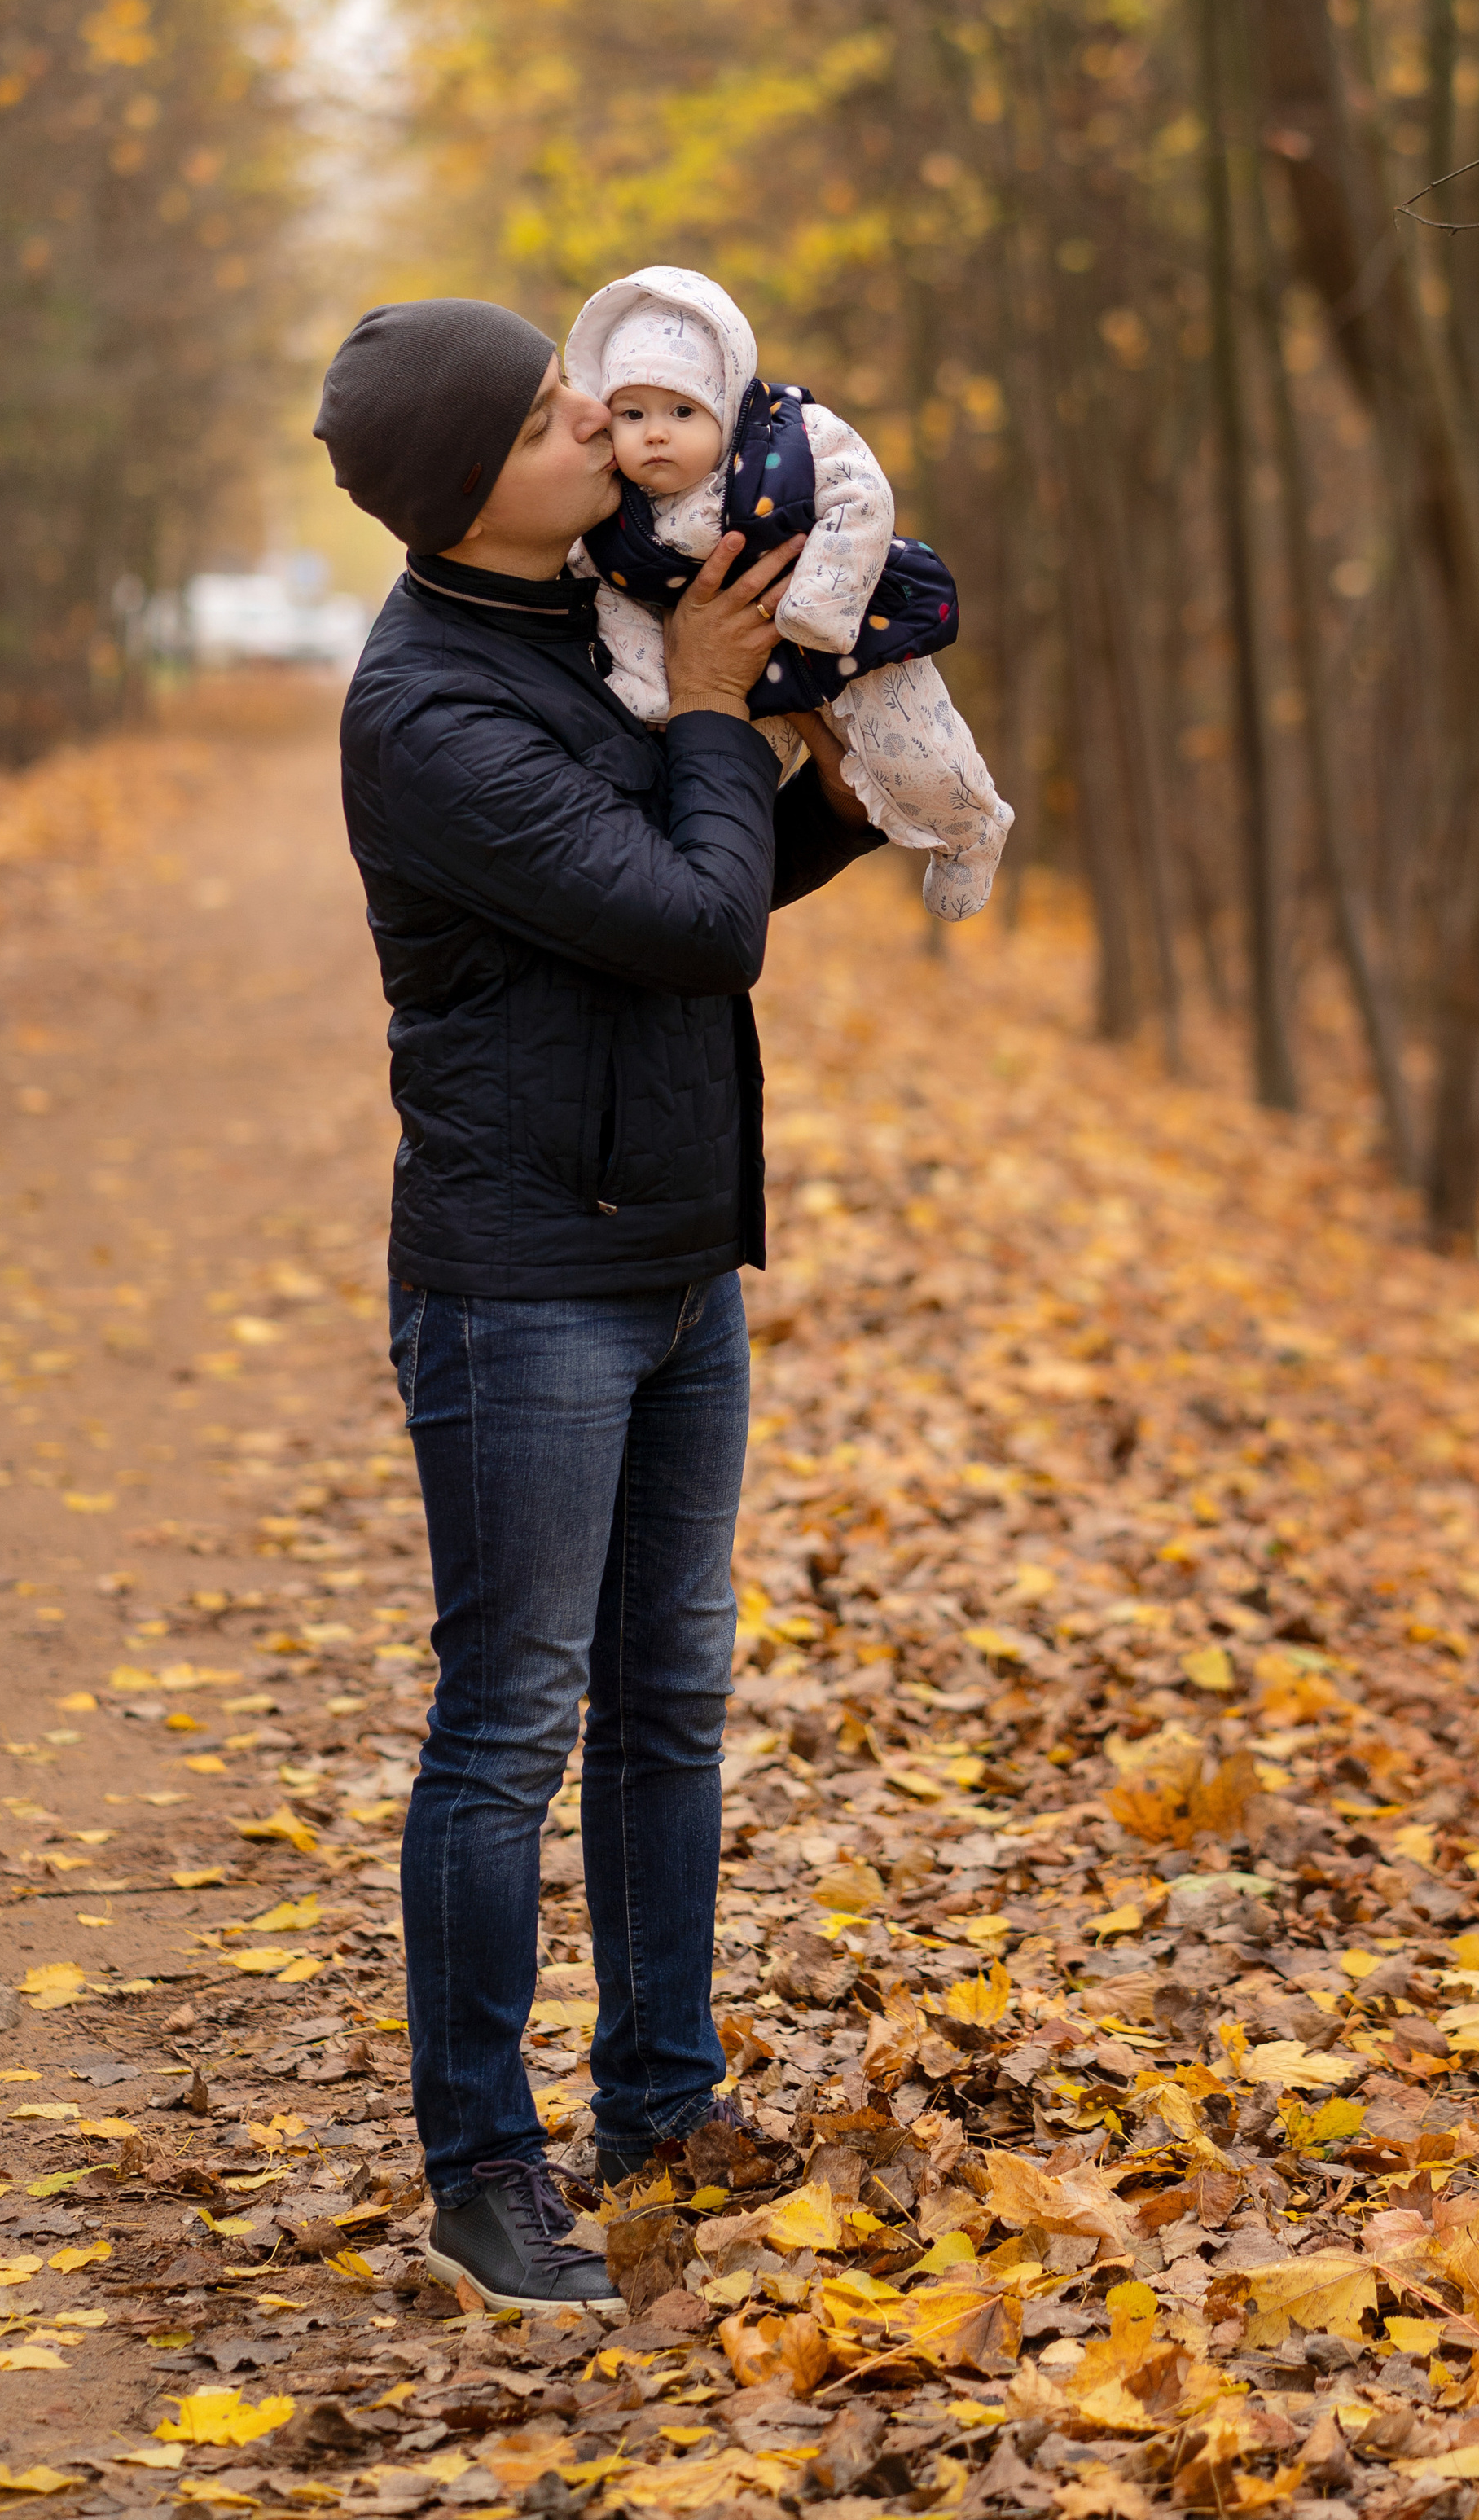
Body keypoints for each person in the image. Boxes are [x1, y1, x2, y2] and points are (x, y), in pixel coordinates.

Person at [315, 295, 884, 2311]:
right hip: (521, 1281)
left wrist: (831, 782)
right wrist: (723, 723)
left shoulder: (589, 621)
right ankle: (483, 2166)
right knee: (507, 1726)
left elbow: (684, 894)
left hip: (667, 1247)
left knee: (670, 1703)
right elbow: (689, 922)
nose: (598, 416)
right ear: (469, 486)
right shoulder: (427, 708)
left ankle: (661, 2102)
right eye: (554, 411)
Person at [569, 265, 1012, 920]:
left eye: (682, 411)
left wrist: (824, 602)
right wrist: (649, 691)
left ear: (724, 402)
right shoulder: (612, 514)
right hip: (742, 680)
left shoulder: (789, 436)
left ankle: (971, 833)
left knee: (919, 751)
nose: (655, 432)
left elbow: (862, 496)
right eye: (632, 414)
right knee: (728, 800)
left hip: (854, 633)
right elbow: (612, 604)